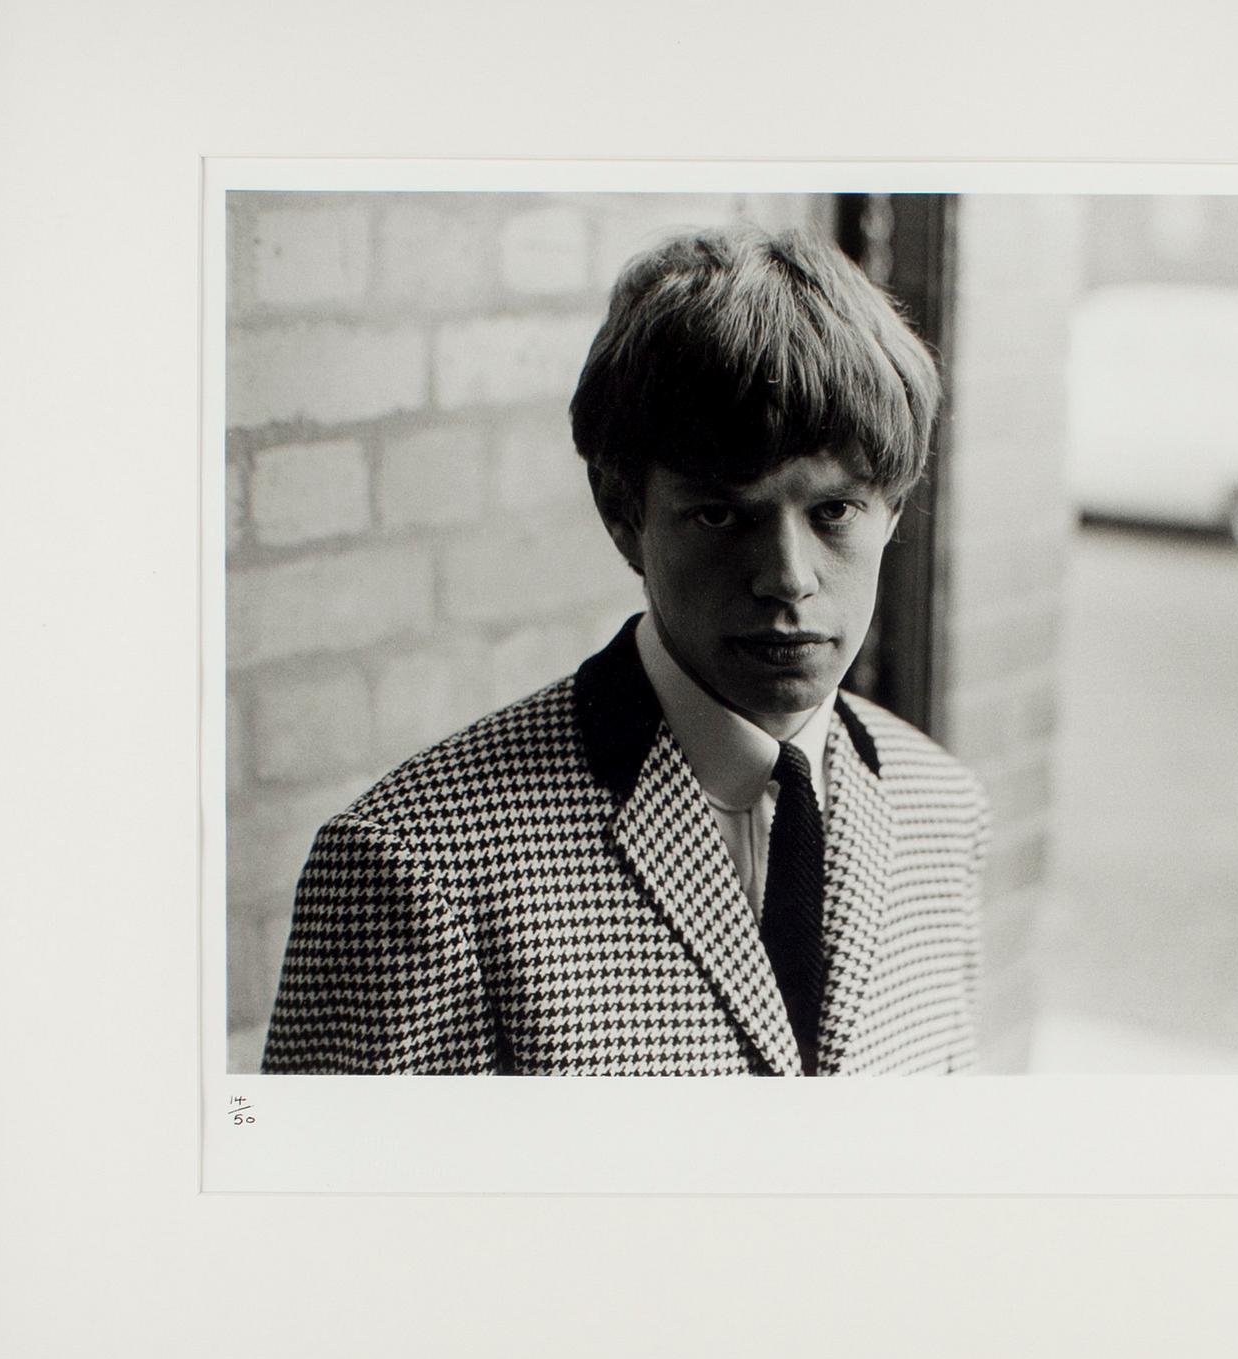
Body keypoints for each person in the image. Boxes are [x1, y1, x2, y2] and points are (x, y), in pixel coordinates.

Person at [261, 226, 988, 1076]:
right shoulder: (417, 868)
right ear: (623, 513)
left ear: (894, 510)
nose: (788, 580)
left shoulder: (943, 810)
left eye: (834, 512)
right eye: (721, 514)